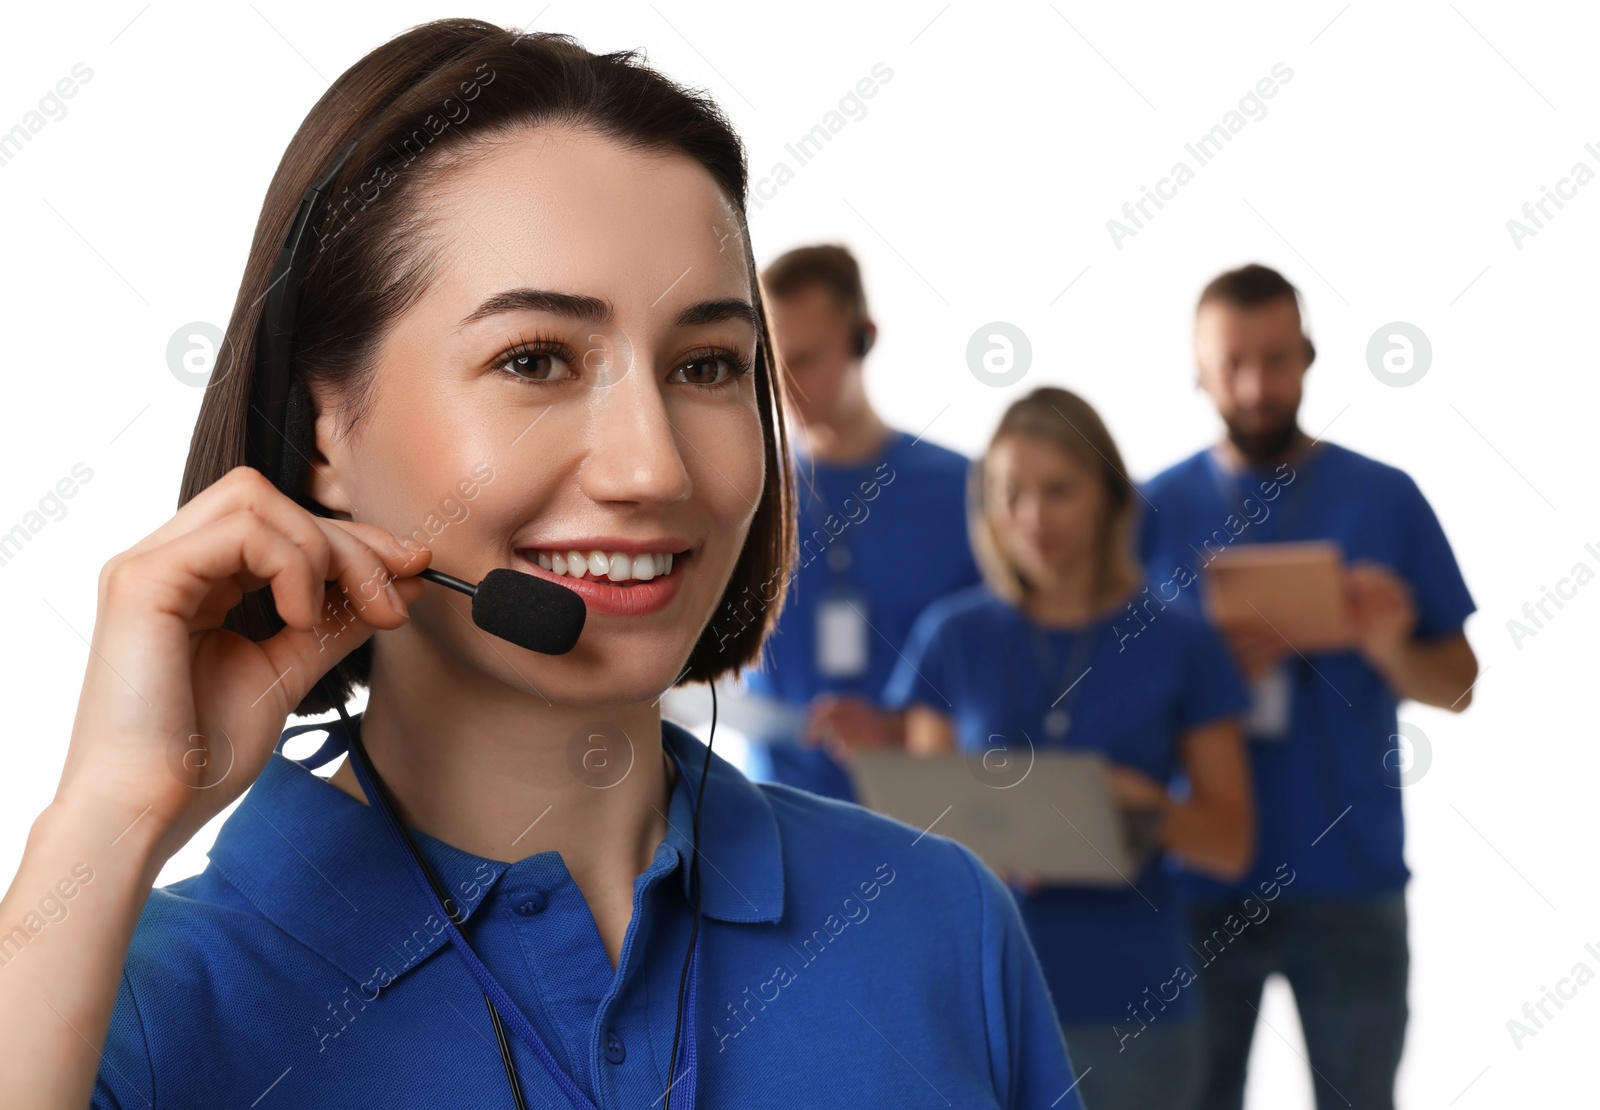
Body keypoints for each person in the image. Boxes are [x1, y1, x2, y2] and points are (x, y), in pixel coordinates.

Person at [0, 22, 1084, 1109]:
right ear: (324, 427)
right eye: (534, 360)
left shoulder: (937, 924)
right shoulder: (134, 1011)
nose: (653, 467)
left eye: (706, 365)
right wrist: (107, 819)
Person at [1135, 263, 1479, 1110]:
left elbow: (1460, 687)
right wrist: (1204, 675)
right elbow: (1111, 702)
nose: (1255, 386)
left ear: (1309, 356)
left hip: (1351, 877)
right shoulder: (1148, 515)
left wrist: (1390, 643)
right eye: (1233, 363)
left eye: (1277, 359)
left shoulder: (1384, 498)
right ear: (1198, 369)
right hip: (1198, 883)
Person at [881, 386, 1255, 1110]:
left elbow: (1231, 842)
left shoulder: (1183, 643)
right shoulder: (951, 637)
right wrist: (994, 836)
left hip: (1135, 1009)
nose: (1031, 519)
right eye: (1009, 494)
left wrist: (1143, 805)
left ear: (1111, 497)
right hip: (984, 1003)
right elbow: (920, 835)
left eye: (1058, 491)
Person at [731, 244, 981, 802]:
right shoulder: (739, 495)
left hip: (926, 815)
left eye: (807, 358)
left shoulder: (969, 491)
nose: (784, 385)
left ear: (863, 338)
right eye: (772, 361)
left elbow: (1010, 676)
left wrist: (899, 730)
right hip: (771, 815)